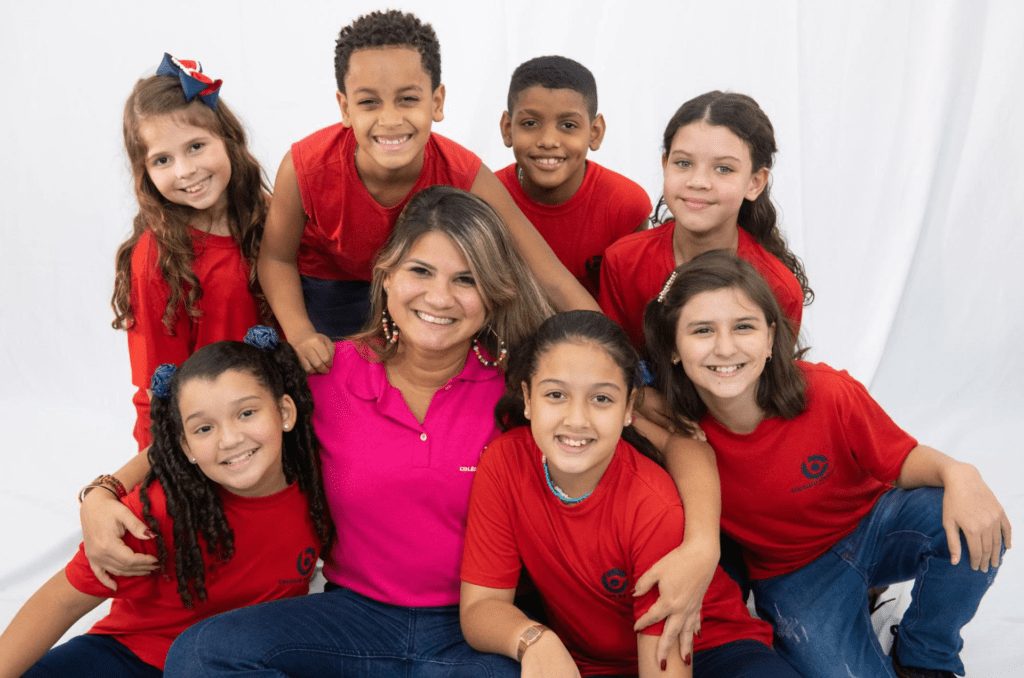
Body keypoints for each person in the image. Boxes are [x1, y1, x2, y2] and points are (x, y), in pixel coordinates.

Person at [642, 251, 1011, 678]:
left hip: (874, 524)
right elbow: (611, 391)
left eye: (744, 327)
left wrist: (960, 473)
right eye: (702, 331)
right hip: (795, 575)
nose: (725, 347)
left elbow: (903, 461)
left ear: (769, 338)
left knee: (972, 523)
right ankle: (861, 614)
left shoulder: (827, 392)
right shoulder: (678, 429)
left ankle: (924, 655)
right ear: (672, 348)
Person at [461, 311, 797, 678]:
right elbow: (482, 606)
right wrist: (533, 639)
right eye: (556, 394)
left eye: (601, 399)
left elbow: (665, 669)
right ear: (527, 398)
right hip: (596, 663)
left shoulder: (652, 504)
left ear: (628, 408)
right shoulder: (504, 463)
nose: (577, 419)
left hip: (710, 649)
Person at [258, 10, 596, 373]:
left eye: (407, 99)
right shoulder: (305, 166)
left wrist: (613, 351)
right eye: (369, 102)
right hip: (330, 291)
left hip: (431, 295)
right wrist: (300, 331)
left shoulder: (463, 173)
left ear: (436, 102)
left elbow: (549, 274)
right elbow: (276, 258)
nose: (389, 119)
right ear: (345, 108)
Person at [0, 328, 332, 678]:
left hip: (234, 660)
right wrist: (101, 491)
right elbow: (60, 602)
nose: (231, 439)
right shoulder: (157, 513)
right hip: (129, 657)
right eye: (204, 429)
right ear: (185, 448)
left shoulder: (321, 486)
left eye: (246, 413)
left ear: (285, 412)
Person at [111, 54, 271, 450]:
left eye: (196, 146)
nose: (184, 171)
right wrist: (162, 467)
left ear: (228, 141)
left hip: (278, 416)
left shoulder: (268, 216)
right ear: (144, 172)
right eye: (163, 160)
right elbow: (158, 385)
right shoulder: (157, 258)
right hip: (208, 436)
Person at [599, 91, 811, 350]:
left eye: (724, 169)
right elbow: (611, 364)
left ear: (755, 183)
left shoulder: (779, 286)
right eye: (683, 163)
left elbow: (772, 384)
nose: (698, 182)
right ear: (665, 165)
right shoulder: (624, 261)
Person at [495, 56, 651, 296]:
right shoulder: (485, 197)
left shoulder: (625, 205)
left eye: (568, 125)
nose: (548, 141)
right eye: (530, 123)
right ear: (508, 129)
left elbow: (630, 307)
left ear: (595, 132)